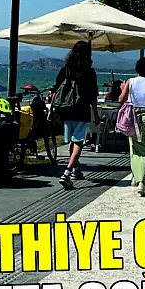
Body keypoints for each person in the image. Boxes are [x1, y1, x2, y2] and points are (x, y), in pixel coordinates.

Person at [47, 40, 100, 190]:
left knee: (72, 141)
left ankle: (75, 169)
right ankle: (67, 172)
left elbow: (55, 91)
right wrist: (96, 114)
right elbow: (93, 96)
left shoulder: (65, 70)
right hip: (81, 110)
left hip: (66, 110)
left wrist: (51, 110)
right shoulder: (89, 72)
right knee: (79, 142)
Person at [118, 57, 145, 196]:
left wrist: (122, 88)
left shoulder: (130, 81)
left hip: (132, 117)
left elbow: (120, 99)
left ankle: (138, 180)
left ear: (137, 68)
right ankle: (139, 180)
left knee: (134, 147)